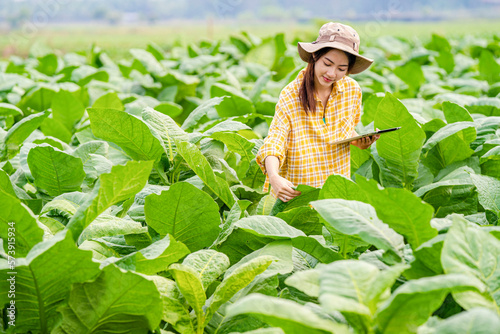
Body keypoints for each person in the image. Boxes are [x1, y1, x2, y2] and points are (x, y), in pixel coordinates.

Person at [256, 22, 379, 202]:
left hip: (335, 196)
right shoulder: (291, 95)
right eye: (327, 63)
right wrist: (274, 177)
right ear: (314, 56)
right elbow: (275, 140)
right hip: (298, 196)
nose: (332, 73)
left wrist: (360, 142)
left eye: (341, 69)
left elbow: (345, 130)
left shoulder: (352, 91)